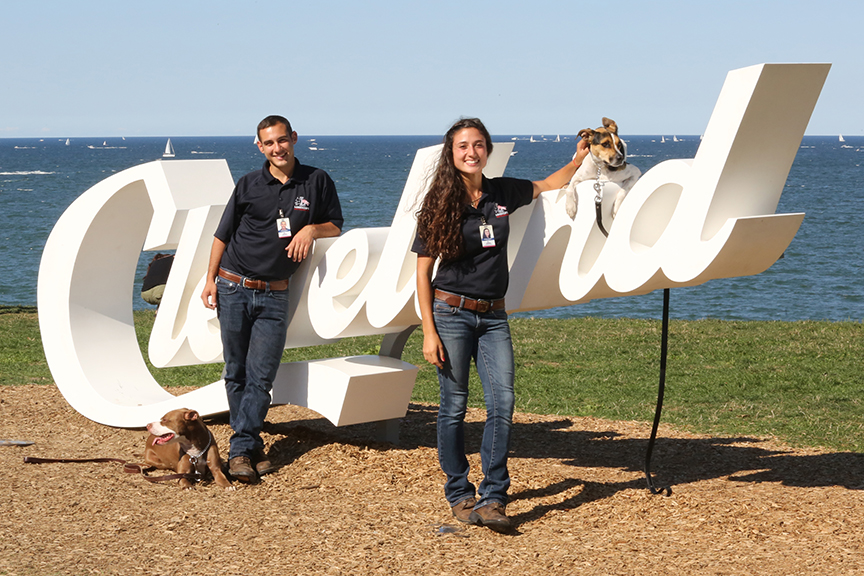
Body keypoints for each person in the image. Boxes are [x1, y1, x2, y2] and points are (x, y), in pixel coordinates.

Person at [412, 118, 588, 532]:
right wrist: (428, 331)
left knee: (502, 404)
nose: (471, 152)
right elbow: (422, 273)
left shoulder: (502, 192)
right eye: (462, 147)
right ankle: (459, 492)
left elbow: (548, 184)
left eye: (477, 145)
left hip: (493, 316)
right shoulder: (439, 204)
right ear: (451, 154)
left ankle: (493, 497)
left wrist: (578, 160)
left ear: (487, 149)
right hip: (449, 314)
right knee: (454, 407)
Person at [201, 115, 343, 483]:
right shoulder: (248, 183)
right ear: (259, 146)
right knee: (236, 371)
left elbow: (336, 224)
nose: (277, 148)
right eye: (269, 143)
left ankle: (242, 447)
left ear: (294, 139)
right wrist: (209, 280)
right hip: (233, 286)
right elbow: (222, 235)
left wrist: (311, 228)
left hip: (276, 294)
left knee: (261, 376)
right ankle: (247, 447)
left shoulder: (316, 180)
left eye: (282, 140)